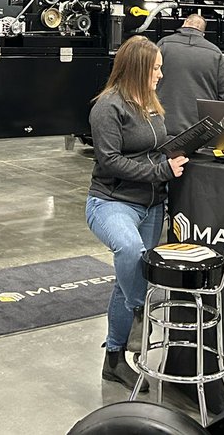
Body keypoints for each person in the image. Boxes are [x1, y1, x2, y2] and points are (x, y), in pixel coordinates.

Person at [86, 35, 189, 389]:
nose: (160, 75)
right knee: (130, 252)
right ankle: (141, 310)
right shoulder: (107, 107)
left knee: (127, 277)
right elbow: (110, 161)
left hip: (152, 205)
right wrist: (162, 171)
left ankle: (114, 359)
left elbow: (155, 147)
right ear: (140, 68)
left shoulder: (149, 104)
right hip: (111, 202)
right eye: (156, 68)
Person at [155, 14, 224, 135]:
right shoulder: (214, 52)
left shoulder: (163, 44)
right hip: (200, 131)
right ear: (203, 33)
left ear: (184, 23)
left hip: (164, 126)